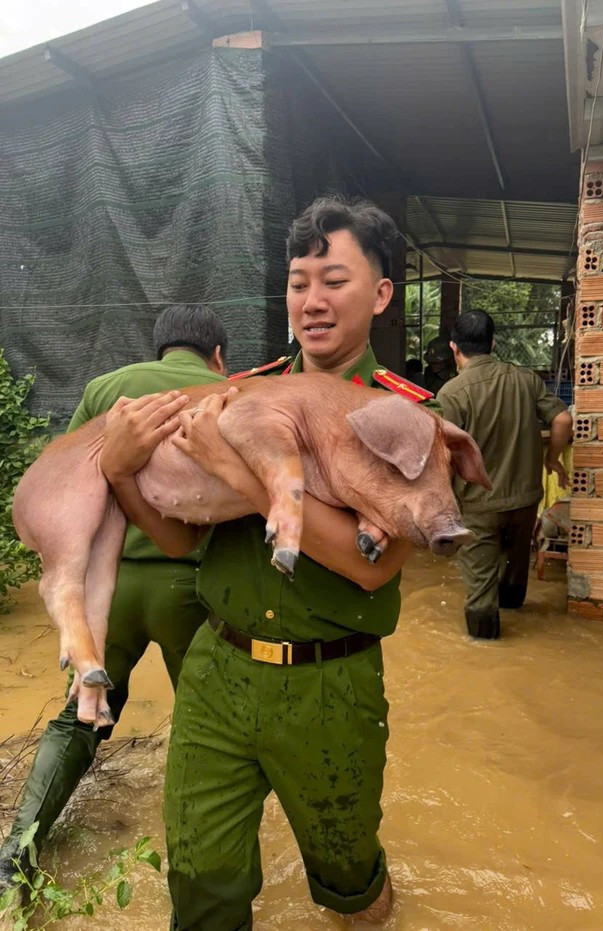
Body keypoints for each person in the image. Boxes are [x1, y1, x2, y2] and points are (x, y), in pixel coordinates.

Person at [98, 195, 440, 929]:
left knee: (350, 883)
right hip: (216, 670)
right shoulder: (234, 397)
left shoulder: (406, 417)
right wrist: (122, 473)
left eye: (335, 280)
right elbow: (182, 543)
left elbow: (372, 567)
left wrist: (245, 474)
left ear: (381, 294)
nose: (312, 301)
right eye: (297, 281)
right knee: (200, 879)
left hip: (330, 687)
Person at [0, 305, 228, 890]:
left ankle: (18, 852)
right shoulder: (228, 392)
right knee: (210, 728)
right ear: (217, 355)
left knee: (81, 712)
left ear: (160, 349)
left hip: (112, 589)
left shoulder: (107, 391)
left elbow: (67, 477)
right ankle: (200, 870)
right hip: (191, 589)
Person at [436, 309, 572, 640]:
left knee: (481, 594)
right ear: (493, 343)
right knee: (513, 572)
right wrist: (552, 459)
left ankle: (486, 650)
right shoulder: (526, 379)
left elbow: (442, 454)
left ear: (454, 347)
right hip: (525, 500)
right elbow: (563, 419)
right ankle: (515, 630)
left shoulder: (452, 393)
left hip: (479, 505)